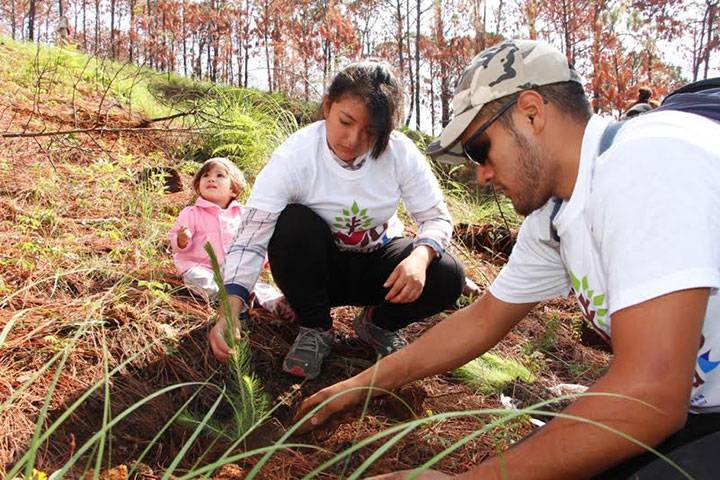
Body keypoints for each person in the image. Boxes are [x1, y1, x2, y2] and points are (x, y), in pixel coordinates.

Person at [295, 40, 720, 479]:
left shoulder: (645, 163)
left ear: (531, 113)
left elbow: (650, 394)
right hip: (693, 411)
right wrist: (362, 384)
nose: (481, 173)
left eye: (480, 148)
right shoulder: (555, 215)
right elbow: (484, 319)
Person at [209, 60, 465, 380]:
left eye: (371, 131)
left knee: (448, 273)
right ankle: (315, 328)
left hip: (378, 270)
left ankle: (377, 324)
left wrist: (421, 256)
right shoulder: (294, 157)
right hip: (317, 273)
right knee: (292, 223)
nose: (353, 139)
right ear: (328, 106)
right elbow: (251, 237)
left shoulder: (400, 153)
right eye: (345, 121)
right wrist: (230, 308)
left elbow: (435, 217)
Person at [168, 157, 293, 317]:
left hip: (236, 271)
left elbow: (254, 240)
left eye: (220, 175)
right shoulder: (191, 213)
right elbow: (175, 241)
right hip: (201, 267)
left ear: (233, 189)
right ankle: (230, 302)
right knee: (198, 279)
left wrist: (267, 259)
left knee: (256, 285)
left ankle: (278, 305)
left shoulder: (243, 214)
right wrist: (181, 239)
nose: (211, 179)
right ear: (199, 185)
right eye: (205, 175)